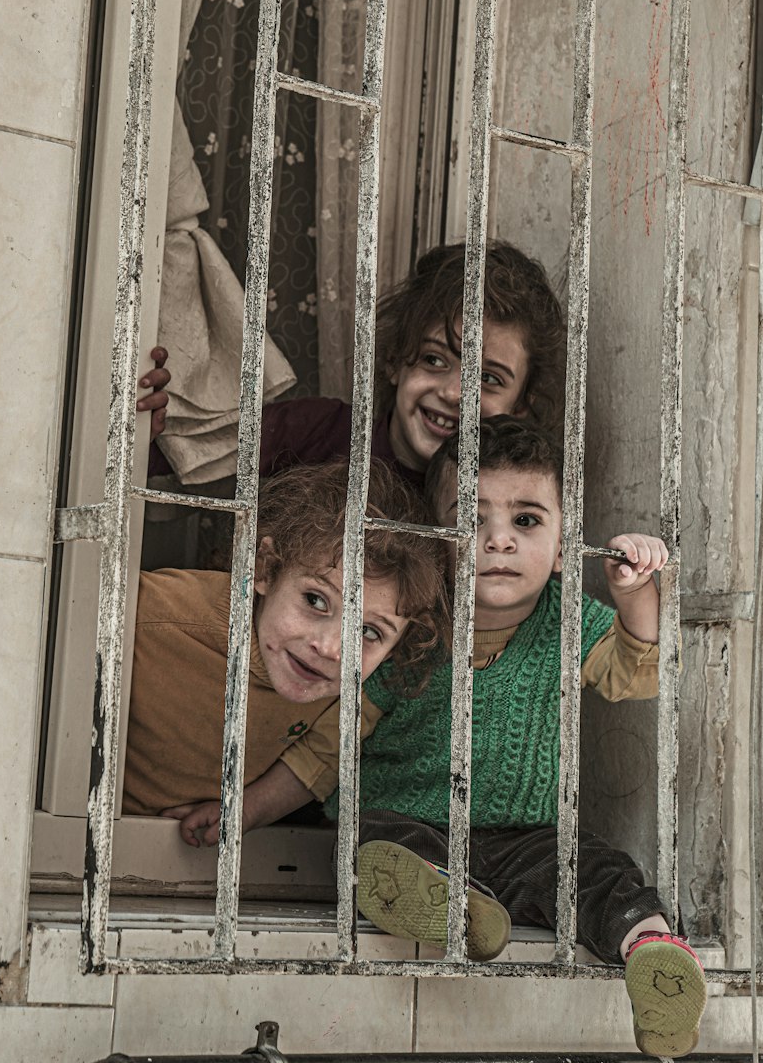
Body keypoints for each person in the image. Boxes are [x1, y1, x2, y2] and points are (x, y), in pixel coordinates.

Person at [223, 418, 705, 1059]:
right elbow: (327, 749)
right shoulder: (409, 629)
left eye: (527, 521)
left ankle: (653, 950)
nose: (498, 540)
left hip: (523, 838)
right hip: (409, 826)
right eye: (470, 518)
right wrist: (244, 812)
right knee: (376, 847)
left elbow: (639, 671)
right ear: (434, 539)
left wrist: (638, 588)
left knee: (598, 870)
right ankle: (453, 905)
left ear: (564, 547)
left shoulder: (569, 621)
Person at [120, 458, 449, 820]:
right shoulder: (150, 615)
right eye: (315, 600)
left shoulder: (357, 694)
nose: (330, 648)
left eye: (369, 632)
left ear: (394, 649)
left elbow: (320, 756)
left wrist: (241, 813)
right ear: (265, 569)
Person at [147, 239, 566, 488]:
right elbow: (175, 465)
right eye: (434, 359)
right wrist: (150, 428)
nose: (454, 392)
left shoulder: (505, 504)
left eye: (490, 379)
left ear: (521, 406)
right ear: (393, 361)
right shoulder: (318, 432)